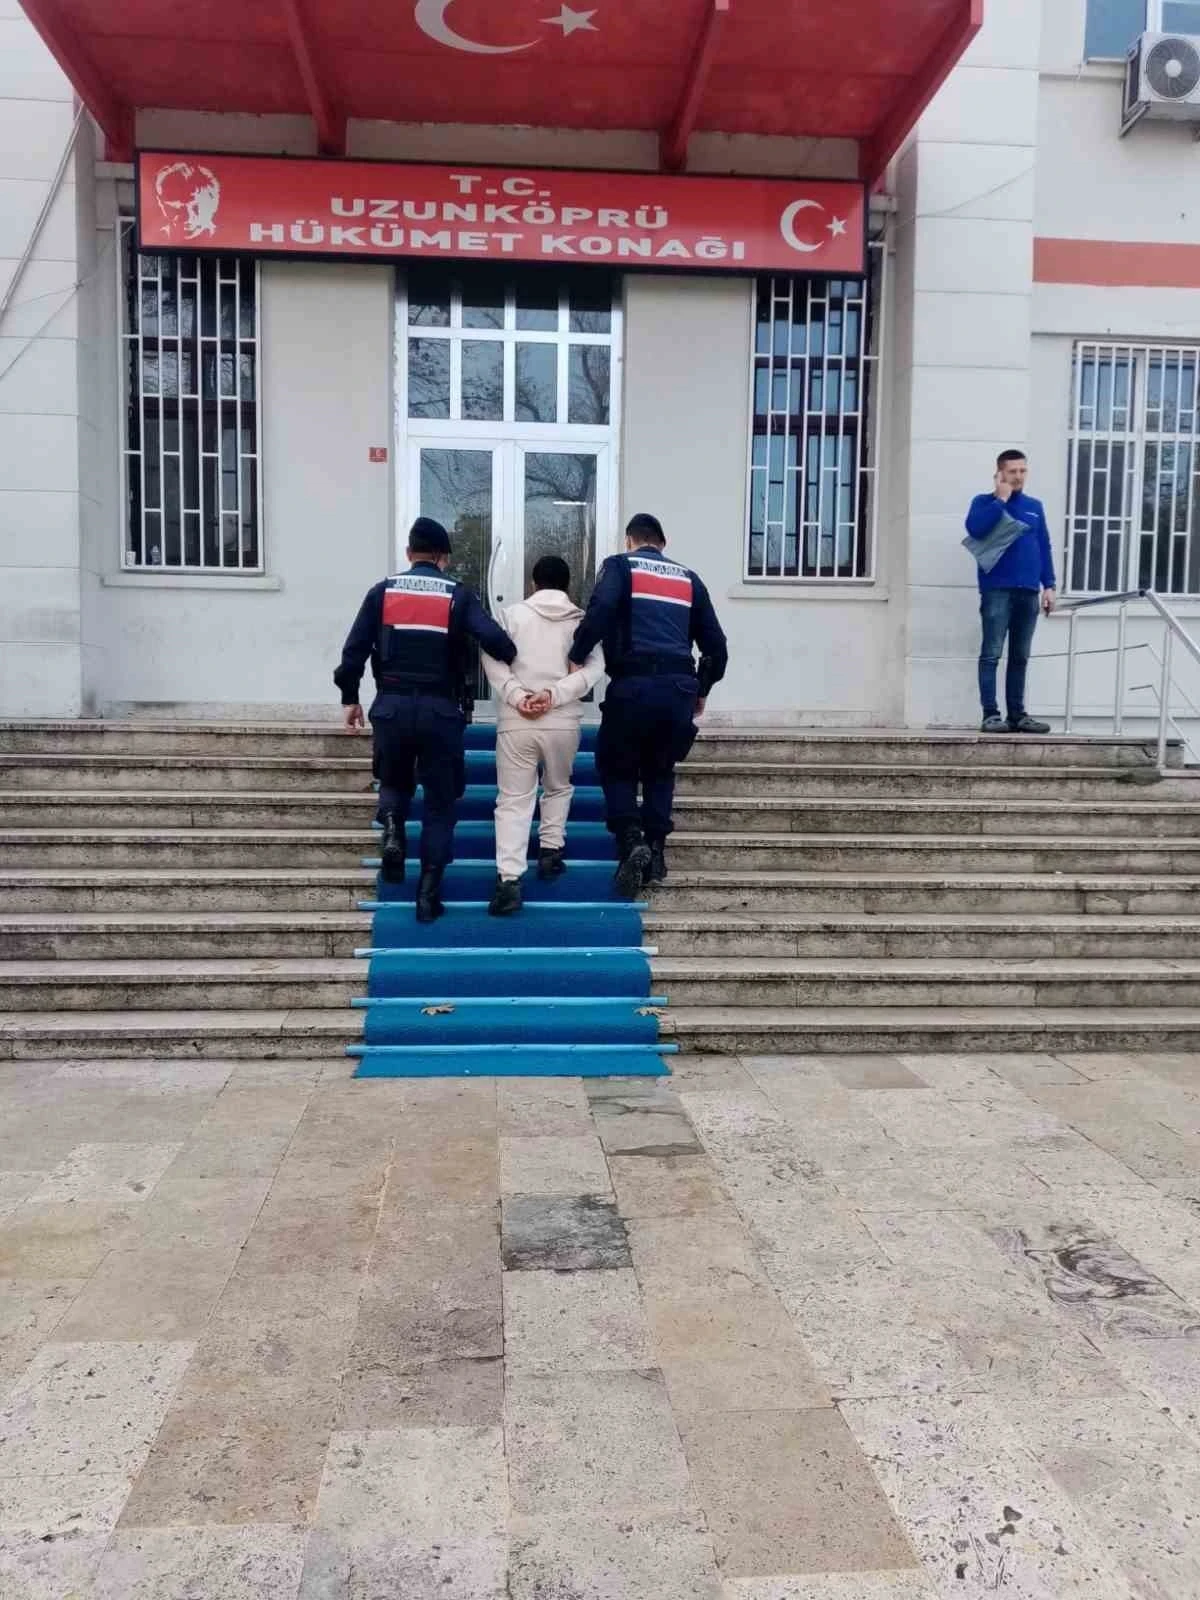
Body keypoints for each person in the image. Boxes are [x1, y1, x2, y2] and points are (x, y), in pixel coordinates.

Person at [334, 517, 516, 923]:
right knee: (439, 802)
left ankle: (393, 829)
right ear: (443, 558)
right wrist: (514, 655)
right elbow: (495, 640)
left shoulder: (382, 592)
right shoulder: (457, 595)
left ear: (409, 553)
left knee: (394, 781)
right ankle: (428, 894)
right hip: (440, 713)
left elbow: (354, 652)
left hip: (391, 708)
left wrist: (350, 697)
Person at [569, 512, 728, 899]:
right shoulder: (690, 579)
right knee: (659, 769)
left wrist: (577, 653)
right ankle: (655, 850)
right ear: (663, 543)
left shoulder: (620, 567)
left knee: (617, 766)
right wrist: (701, 688)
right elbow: (717, 647)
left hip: (634, 686)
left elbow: (600, 612)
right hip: (678, 689)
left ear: (629, 540)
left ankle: (631, 839)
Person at [481, 555, 606, 917]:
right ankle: (551, 852)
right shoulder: (580, 622)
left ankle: (509, 881)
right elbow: (595, 668)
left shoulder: (510, 616)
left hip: (517, 721)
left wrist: (518, 695)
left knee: (513, 799)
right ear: (567, 585)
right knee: (558, 786)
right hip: (562, 720)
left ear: (533, 584)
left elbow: (492, 657)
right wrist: (554, 694)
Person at [965, 449, 1057, 735]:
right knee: (991, 653)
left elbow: (1044, 546)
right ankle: (991, 715)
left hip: (1028, 591)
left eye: (1022, 471)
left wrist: (1049, 585)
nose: (1018, 476)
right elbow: (975, 528)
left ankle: (1017, 715)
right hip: (997, 590)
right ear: (1000, 473)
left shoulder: (1034, 506)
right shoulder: (983, 503)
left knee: (1020, 656)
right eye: (1012, 471)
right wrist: (1001, 499)